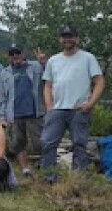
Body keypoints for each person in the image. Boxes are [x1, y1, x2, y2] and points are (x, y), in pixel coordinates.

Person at [40, 25, 105, 183]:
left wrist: (90, 104)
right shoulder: (53, 60)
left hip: (79, 109)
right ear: (60, 39)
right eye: (64, 37)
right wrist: (49, 106)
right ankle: (49, 178)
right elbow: (48, 85)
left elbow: (100, 81)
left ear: (76, 39)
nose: (67, 40)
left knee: (79, 144)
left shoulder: (87, 58)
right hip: (57, 109)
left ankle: (78, 179)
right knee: (47, 142)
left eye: (70, 36)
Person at [0, 44, 46, 177]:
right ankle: (25, 170)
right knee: (18, 144)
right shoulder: (5, 73)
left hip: (35, 112)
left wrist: (43, 63)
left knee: (40, 142)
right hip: (14, 114)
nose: (15, 56)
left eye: (17, 53)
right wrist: (2, 116)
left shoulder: (36, 66)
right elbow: (2, 96)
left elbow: (49, 78)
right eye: (12, 54)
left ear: (23, 54)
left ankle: (45, 166)